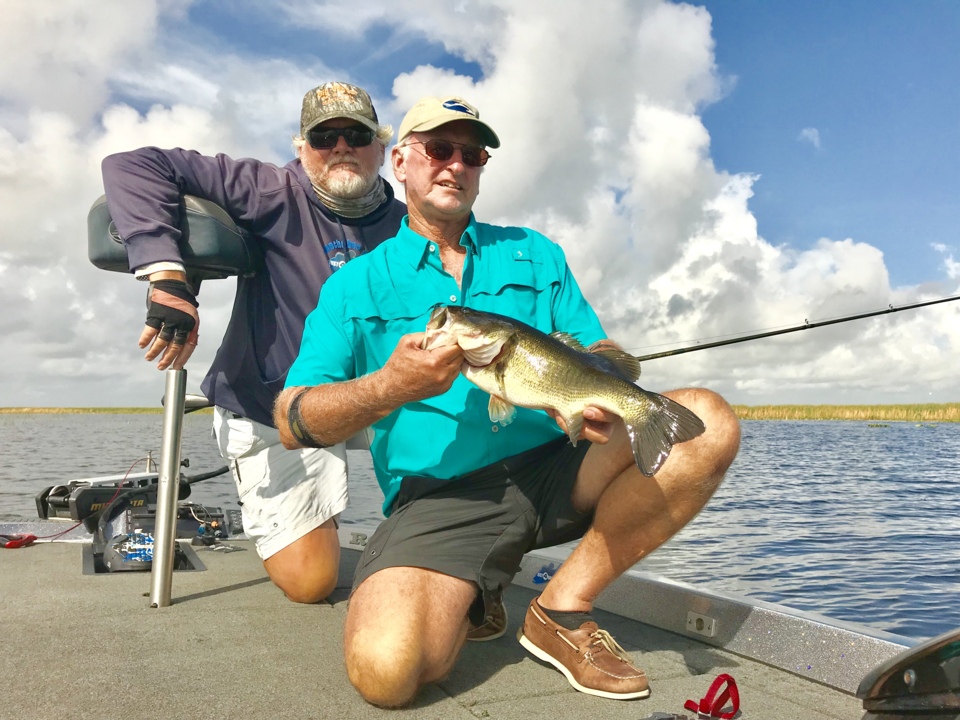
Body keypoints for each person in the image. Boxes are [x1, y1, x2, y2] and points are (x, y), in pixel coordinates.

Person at [275, 95, 741, 706]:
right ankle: (475, 591)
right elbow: (292, 419)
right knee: (386, 674)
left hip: (561, 464)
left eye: (472, 154)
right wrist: (391, 385)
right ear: (400, 162)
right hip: (443, 498)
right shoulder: (352, 284)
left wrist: (590, 391)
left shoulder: (536, 252)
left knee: (704, 421)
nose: (455, 165)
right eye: (439, 149)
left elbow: (598, 350)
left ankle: (561, 608)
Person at [100, 82, 407, 603]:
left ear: (382, 146)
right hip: (275, 407)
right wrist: (167, 276)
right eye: (323, 136)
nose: (340, 146)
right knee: (312, 583)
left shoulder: (408, 225)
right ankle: (314, 524)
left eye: (355, 134)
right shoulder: (269, 189)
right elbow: (132, 164)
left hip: (379, 399)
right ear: (301, 147)